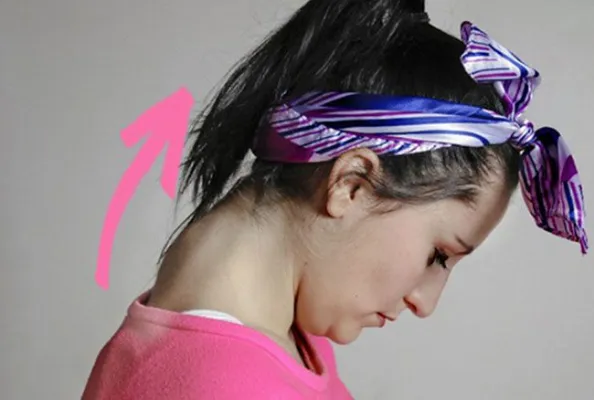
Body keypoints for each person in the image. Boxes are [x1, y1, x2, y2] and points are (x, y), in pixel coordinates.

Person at [82, 0, 588, 398]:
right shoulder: (222, 385)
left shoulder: (283, 336)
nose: (425, 303)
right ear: (351, 183)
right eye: (439, 255)